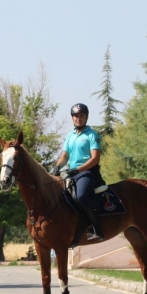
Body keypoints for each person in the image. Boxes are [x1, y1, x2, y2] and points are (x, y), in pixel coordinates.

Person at [49, 103, 105, 241]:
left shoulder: (92, 135)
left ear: (86, 117)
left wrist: (78, 169)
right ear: (72, 118)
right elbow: (64, 156)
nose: (78, 119)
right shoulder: (70, 136)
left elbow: (95, 158)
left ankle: (97, 228)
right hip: (72, 173)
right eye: (75, 116)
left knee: (80, 196)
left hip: (88, 172)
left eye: (81, 116)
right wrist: (56, 167)